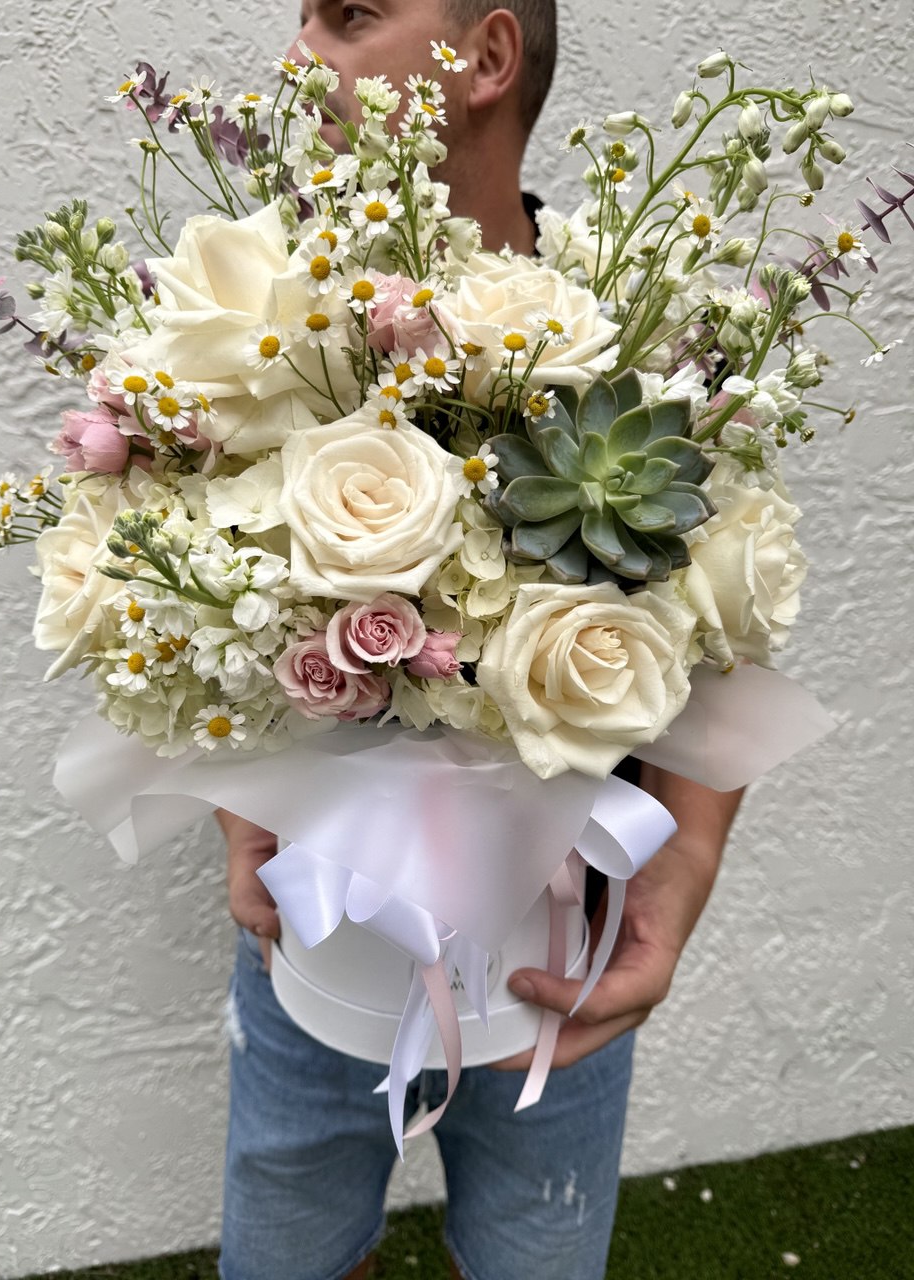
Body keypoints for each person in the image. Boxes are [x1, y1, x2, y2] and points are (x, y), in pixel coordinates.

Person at [218, 4, 745, 1278]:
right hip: (317, 919)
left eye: (348, 17)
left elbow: (730, 620)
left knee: (539, 1254)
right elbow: (211, 603)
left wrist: (679, 880)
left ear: (487, 58)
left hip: (556, 944)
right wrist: (241, 806)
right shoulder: (277, 320)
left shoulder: (649, 336)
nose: (300, 60)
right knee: (282, 1248)